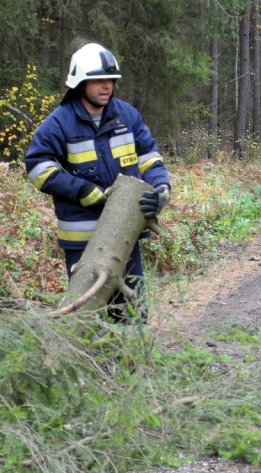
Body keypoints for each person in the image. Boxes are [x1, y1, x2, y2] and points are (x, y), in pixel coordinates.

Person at [24, 43, 171, 321]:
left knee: (133, 313)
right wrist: (82, 191)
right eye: (98, 80)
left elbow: (150, 158)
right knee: (88, 321)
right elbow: (38, 168)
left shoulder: (127, 116)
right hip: (83, 242)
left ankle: (131, 364)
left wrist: (162, 189)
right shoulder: (59, 123)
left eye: (111, 80)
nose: (107, 86)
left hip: (124, 234)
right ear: (80, 82)